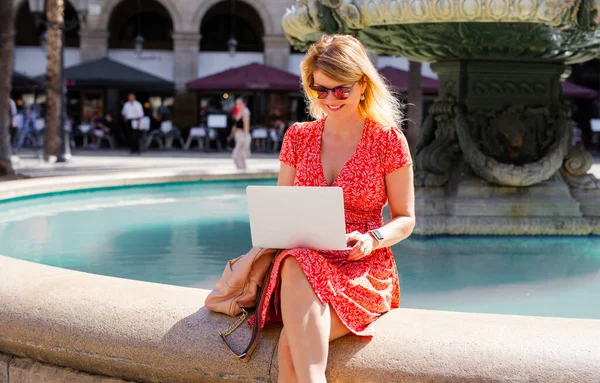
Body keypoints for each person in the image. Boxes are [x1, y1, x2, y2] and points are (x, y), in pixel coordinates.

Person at [256, 34, 415, 382]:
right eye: (320, 90)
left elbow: (405, 219)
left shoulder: (387, 140)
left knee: (291, 344)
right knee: (298, 260)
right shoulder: (298, 137)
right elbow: (283, 210)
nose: (330, 99)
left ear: (362, 85)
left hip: (362, 266)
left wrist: (373, 238)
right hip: (302, 265)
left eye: (340, 90)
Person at [228, 97, 251, 169]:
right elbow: (235, 125)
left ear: (244, 104)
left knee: (238, 155)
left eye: (239, 103)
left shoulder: (245, 113)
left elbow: (246, 126)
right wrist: (231, 135)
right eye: (237, 103)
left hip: (242, 136)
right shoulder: (238, 113)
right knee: (239, 156)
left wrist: (244, 138)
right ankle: (242, 170)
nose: (238, 105)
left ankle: (242, 170)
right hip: (238, 135)